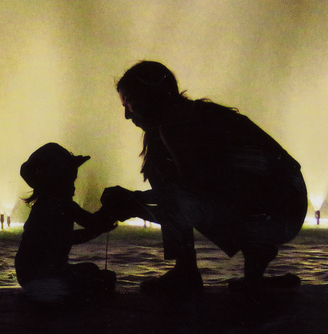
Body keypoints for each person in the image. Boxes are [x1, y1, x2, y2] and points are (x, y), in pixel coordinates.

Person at [101, 60, 308, 294]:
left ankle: (187, 270)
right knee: (167, 180)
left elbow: (193, 193)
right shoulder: (192, 117)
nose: (127, 115)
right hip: (284, 209)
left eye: (129, 101)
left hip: (278, 213)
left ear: (152, 93)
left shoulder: (182, 126)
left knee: (173, 189)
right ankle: (253, 265)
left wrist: (135, 202)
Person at [15, 143, 117, 303]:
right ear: (53, 182)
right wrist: (102, 225)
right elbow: (69, 237)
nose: (73, 187)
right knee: (99, 279)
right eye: (69, 181)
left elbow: (92, 223)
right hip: (43, 276)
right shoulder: (54, 207)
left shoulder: (57, 205)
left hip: (31, 276)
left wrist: (104, 219)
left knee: (91, 270)